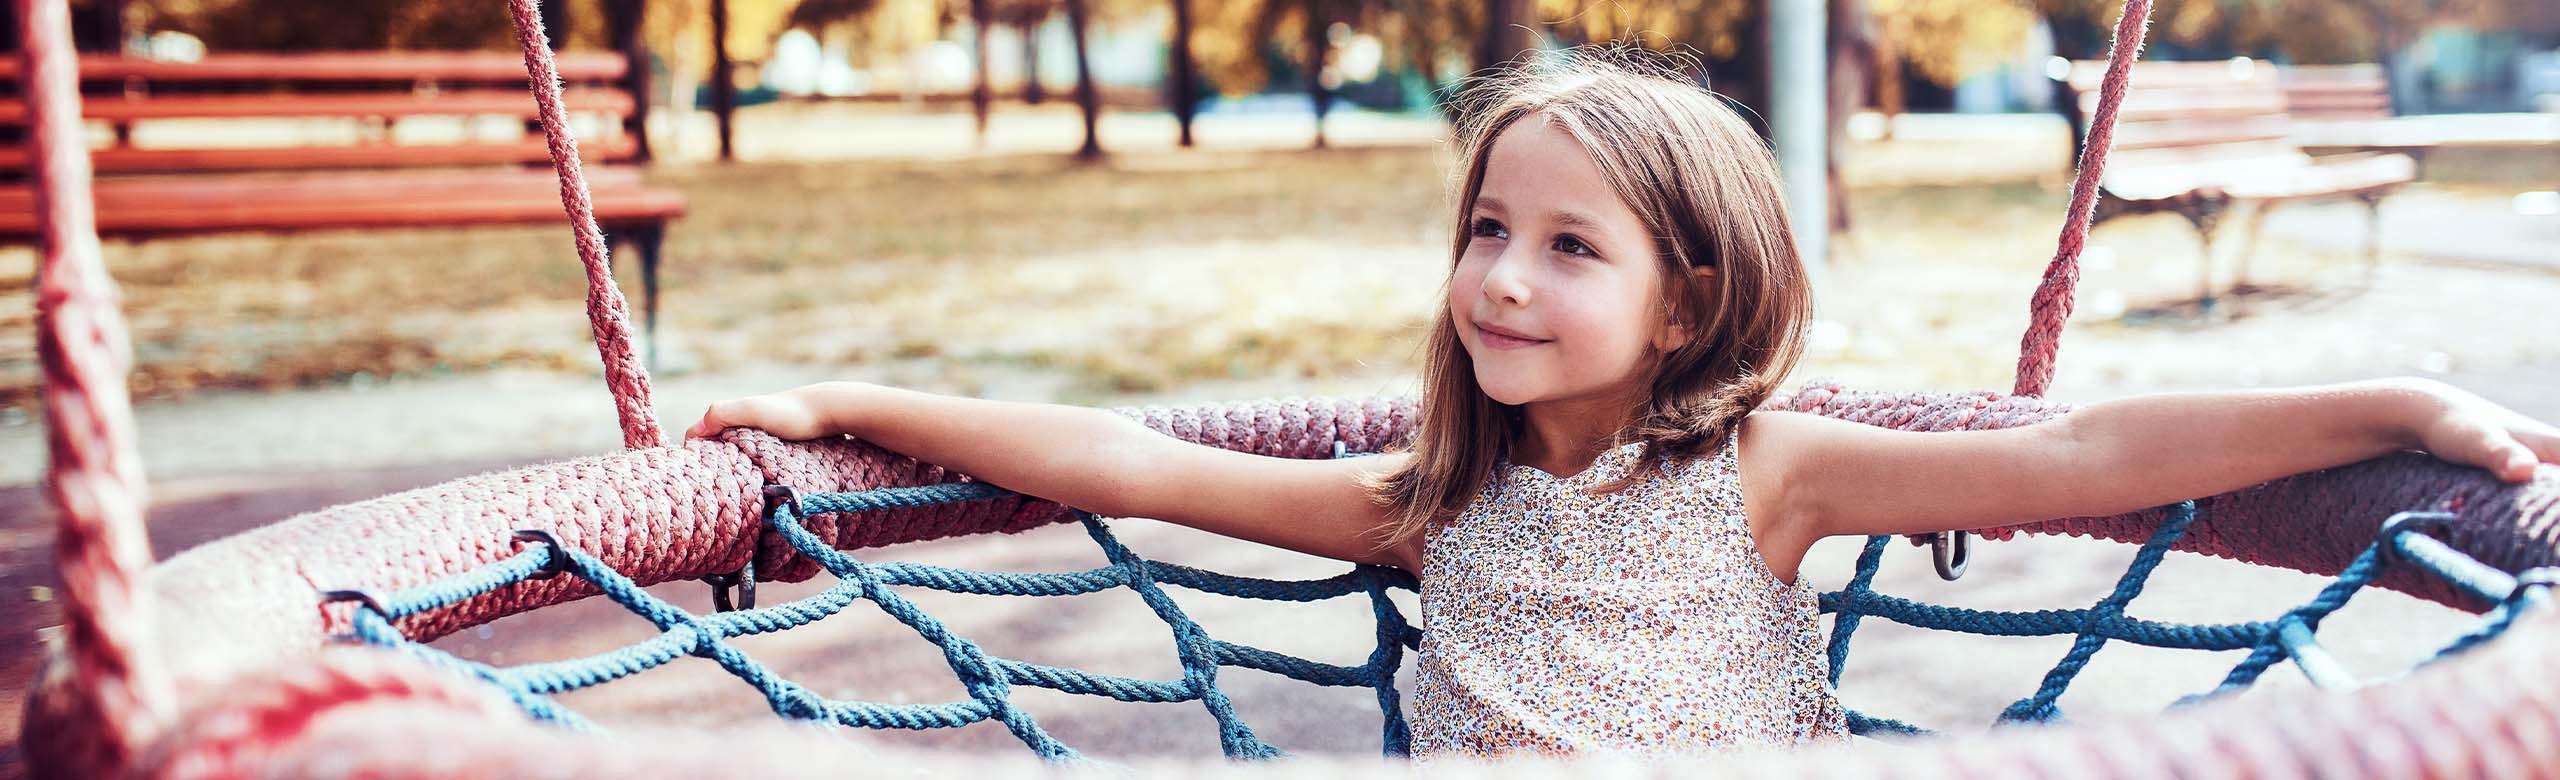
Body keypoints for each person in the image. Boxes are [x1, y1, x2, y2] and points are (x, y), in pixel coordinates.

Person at [682, 50, 2559, 760]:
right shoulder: (1427, 499)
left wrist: (2374, 396)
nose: (1501, 278)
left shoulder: (1767, 469)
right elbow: (1132, 461)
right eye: (1489, 228)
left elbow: (2076, 454)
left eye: (1572, 248)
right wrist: (852, 397)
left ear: (1695, 301)